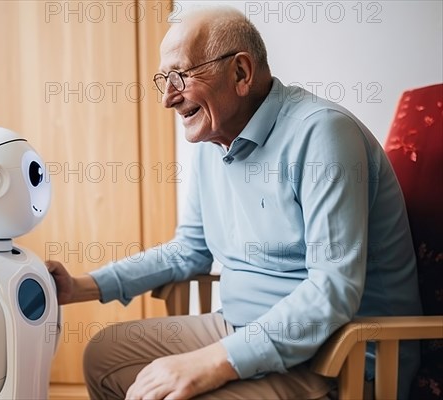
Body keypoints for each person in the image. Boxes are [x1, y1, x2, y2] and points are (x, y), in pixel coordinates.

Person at [46, 6, 422, 399]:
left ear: (240, 73)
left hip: (341, 354)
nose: (167, 99)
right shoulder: (213, 143)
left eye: (180, 76)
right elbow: (187, 251)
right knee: (104, 357)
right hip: (239, 328)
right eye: (163, 80)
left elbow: (333, 288)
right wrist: (81, 286)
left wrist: (212, 363)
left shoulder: (323, 134)